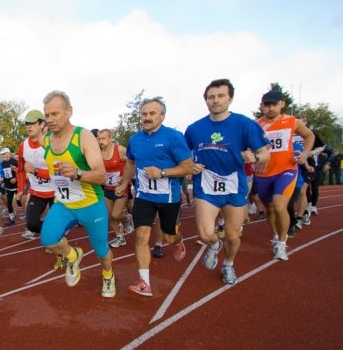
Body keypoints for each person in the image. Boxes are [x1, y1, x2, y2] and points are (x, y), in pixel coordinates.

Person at [184, 78, 270, 285]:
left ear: (230, 98)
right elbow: (184, 156)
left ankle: (229, 264)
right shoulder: (194, 129)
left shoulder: (244, 124)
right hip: (206, 185)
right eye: (211, 97)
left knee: (232, 235)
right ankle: (214, 245)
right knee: (205, 233)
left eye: (220, 96)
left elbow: (265, 155)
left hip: (234, 185)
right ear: (205, 100)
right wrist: (189, 166)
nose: (215, 100)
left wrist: (255, 158)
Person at [39, 90, 115, 297]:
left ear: (69, 111)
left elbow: (101, 176)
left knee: (101, 250)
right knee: (48, 239)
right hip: (64, 204)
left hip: (90, 204)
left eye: (55, 114)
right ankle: (73, 255)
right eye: (47, 115)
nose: (51, 119)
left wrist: (78, 173)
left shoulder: (83, 136)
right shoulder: (45, 140)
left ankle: (108, 274)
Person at [115, 98, 192, 297]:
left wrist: (162, 173)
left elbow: (187, 167)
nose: (147, 117)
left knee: (168, 235)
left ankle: (178, 241)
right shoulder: (135, 139)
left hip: (169, 197)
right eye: (144, 114)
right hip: (144, 196)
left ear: (162, 116)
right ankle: (144, 282)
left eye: (152, 113)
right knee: (141, 236)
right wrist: (124, 182)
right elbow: (130, 162)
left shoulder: (174, 137)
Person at [254, 90, 314, 258]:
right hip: (263, 173)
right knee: (270, 210)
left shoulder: (291, 121)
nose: (271, 108)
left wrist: (305, 153)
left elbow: (309, 135)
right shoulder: (256, 125)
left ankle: (282, 242)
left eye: (274, 104)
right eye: (267, 105)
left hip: (286, 170)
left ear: (282, 104)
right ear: (262, 106)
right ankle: (275, 236)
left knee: (280, 206)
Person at [16, 110, 55, 242]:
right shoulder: (23, 146)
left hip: (56, 191)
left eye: (32, 123)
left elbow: (59, 171)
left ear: (42, 124)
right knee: (31, 224)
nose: (29, 126)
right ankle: (54, 231)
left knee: (56, 221)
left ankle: (56, 237)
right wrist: (21, 189)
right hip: (37, 191)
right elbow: (20, 170)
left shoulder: (52, 142)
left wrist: (37, 171)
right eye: (27, 123)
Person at [97, 128, 130, 248]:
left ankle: (127, 218)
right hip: (107, 188)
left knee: (116, 215)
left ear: (110, 138)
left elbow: (132, 163)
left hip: (121, 187)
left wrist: (125, 178)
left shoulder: (120, 149)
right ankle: (120, 237)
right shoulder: (98, 153)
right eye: (99, 139)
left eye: (104, 138)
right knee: (108, 215)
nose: (101, 141)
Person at [0, 147, 19, 225]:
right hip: (8, 186)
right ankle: (11, 218)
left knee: (19, 202)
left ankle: (28, 215)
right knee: (9, 202)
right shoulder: (3, 163)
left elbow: (21, 172)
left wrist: (15, 179)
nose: (3, 155)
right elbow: (5, 174)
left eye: (5, 154)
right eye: (2, 154)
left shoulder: (15, 162)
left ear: (9, 153)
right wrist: (4, 182)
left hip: (17, 185)